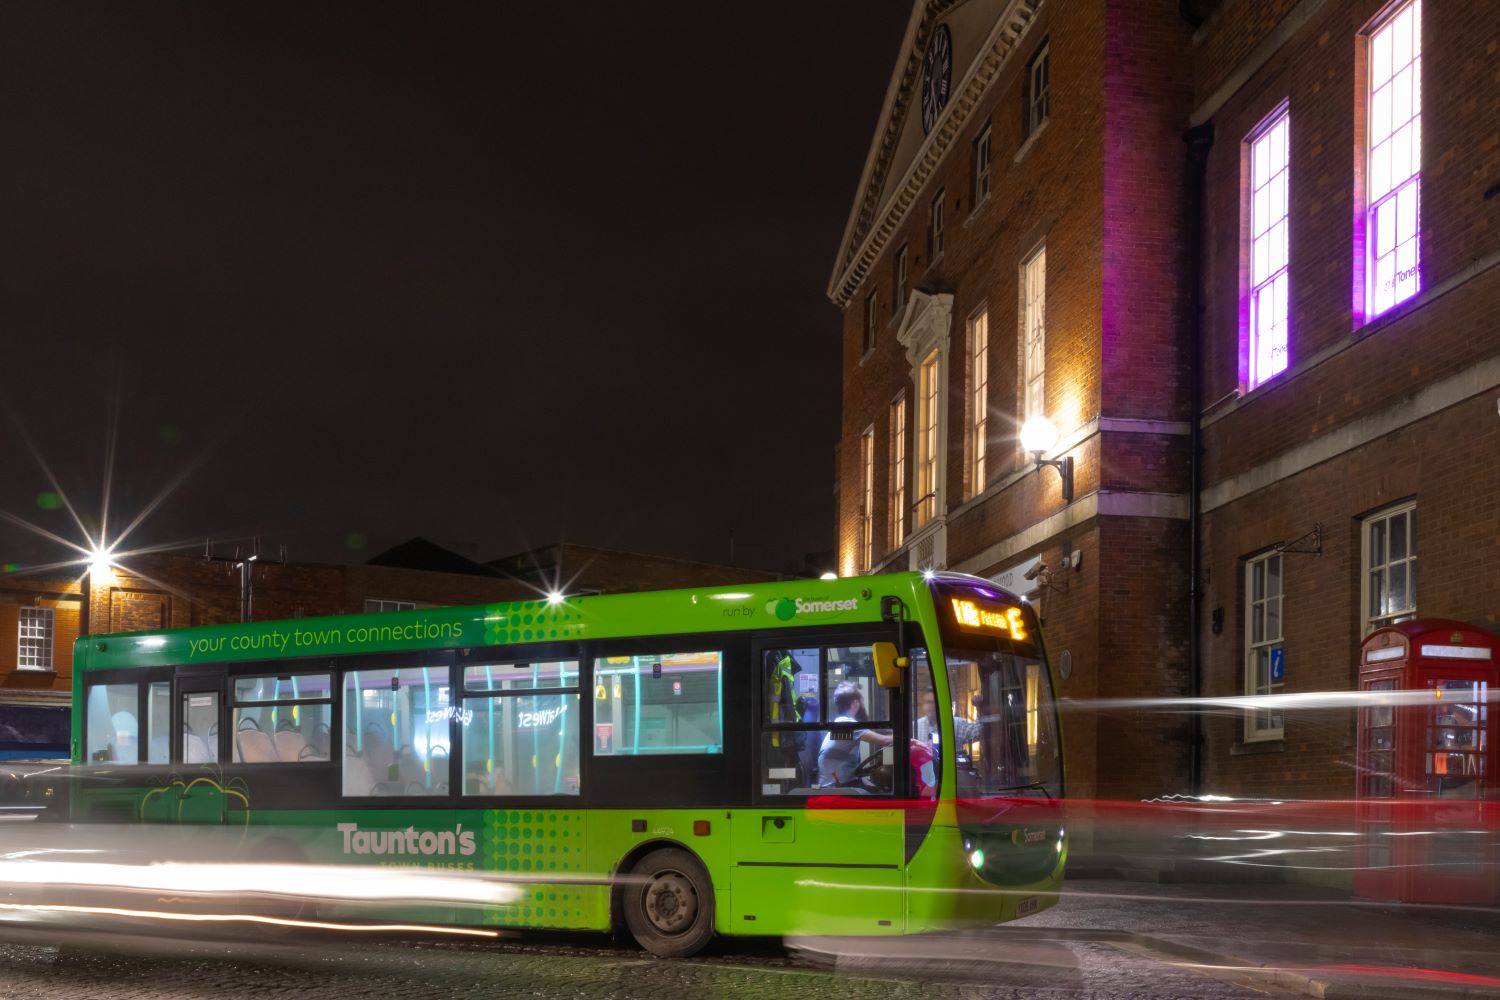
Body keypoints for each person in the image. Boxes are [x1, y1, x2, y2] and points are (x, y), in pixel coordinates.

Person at [817, 681, 892, 787]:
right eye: (862, 701)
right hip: (838, 785)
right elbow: (883, 741)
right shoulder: (848, 724)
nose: (863, 704)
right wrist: (907, 739)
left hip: (837, 782)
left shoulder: (839, 722)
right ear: (855, 703)